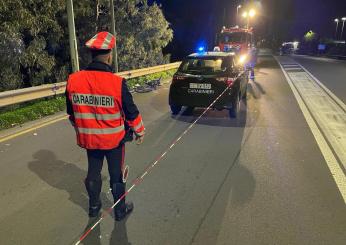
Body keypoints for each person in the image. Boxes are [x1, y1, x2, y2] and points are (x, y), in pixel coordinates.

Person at [65, 32, 145, 221]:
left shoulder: (73, 80)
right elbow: (131, 112)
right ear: (109, 55)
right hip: (114, 141)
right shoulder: (117, 83)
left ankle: (93, 207)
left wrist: (85, 128)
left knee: (93, 171)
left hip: (90, 139)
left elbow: (72, 113)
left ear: (92, 54)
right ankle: (119, 210)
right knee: (116, 174)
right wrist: (140, 131)